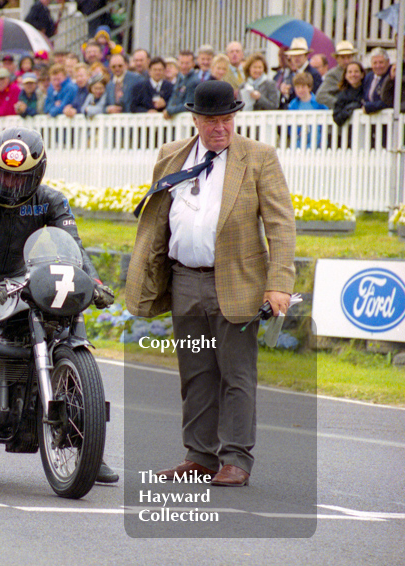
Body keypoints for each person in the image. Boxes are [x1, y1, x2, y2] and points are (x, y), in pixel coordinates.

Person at [125, 80, 296, 487]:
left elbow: (281, 224)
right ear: (196, 120)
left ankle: (235, 458)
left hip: (237, 282)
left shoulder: (258, 157)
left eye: (228, 119)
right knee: (196, 372)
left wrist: (279, 284)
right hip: (185, 279)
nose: (221, 128)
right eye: (212, 120)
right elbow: (157, 220)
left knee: (236, 374)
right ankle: (199, 456)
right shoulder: (171, 155)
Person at [0, 126, 119, 484]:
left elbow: (74, 247)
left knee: (69, 331)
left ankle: (86, 445)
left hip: (25, 282)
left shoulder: (52, 200)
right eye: (3, 174)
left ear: (37, 173)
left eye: (19, 177)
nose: (10, 184)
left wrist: (94, 284)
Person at [279, 37, 323, 107]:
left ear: (306, 56)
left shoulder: (314, 74)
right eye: (294, 56)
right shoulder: (290, 75)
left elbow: (316, 97)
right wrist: (285, 94)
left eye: (299, 55)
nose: (296, 58)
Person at [316, 40, 358, 108]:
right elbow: (321, 95)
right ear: (336, 58)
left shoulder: (359, 71)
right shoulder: (333, 74)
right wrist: (341, 104)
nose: (346, 61)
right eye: (343, 57)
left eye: (349, 57)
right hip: (341, 115)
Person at [164, 50, 199, 118]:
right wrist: (168, 109)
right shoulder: (180, 78)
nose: (184, 66)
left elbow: (188, 105)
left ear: (193, 64)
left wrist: (169, 111)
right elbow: (174, 97)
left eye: (187, 63)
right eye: (181, 63)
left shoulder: (194, 81)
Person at [333, 61, 366, 126]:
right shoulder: (342, 94)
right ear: (346, 76)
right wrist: (348, 110)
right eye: (350, 72)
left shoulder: (367, 90)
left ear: (362, 75)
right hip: (348, 132)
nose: (353, 74)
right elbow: (337, 118)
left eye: (356, 71)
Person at [363, 48, 390, 114]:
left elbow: (389, 101)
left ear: (388, 62)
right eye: (375, 63)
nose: (378, 66)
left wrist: (369, 107)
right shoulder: (368, 77)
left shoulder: (391, 76)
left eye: (381, 62)